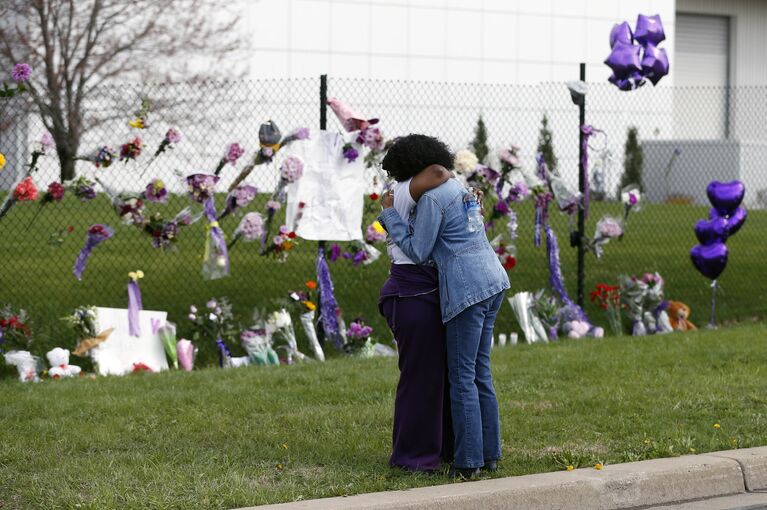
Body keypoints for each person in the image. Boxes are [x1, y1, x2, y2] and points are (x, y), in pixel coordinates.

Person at [378, 134, 510, 478]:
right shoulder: (460, 190)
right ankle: (490, 453)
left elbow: (419, 251)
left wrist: (388, 215)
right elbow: (442, 173)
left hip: (467, 287)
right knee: (480, 371)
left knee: (463, 376)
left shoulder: (432, 197)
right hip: (494, 280)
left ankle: (468, 463)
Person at [379, 162, 453, 472]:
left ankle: (443, 448)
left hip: (426, 290)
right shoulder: (408, 186)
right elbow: (439, 172)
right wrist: (453, 176)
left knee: (440, 378)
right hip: (412, 292)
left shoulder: (418, 191)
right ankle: (413, 458)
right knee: (421, 379)